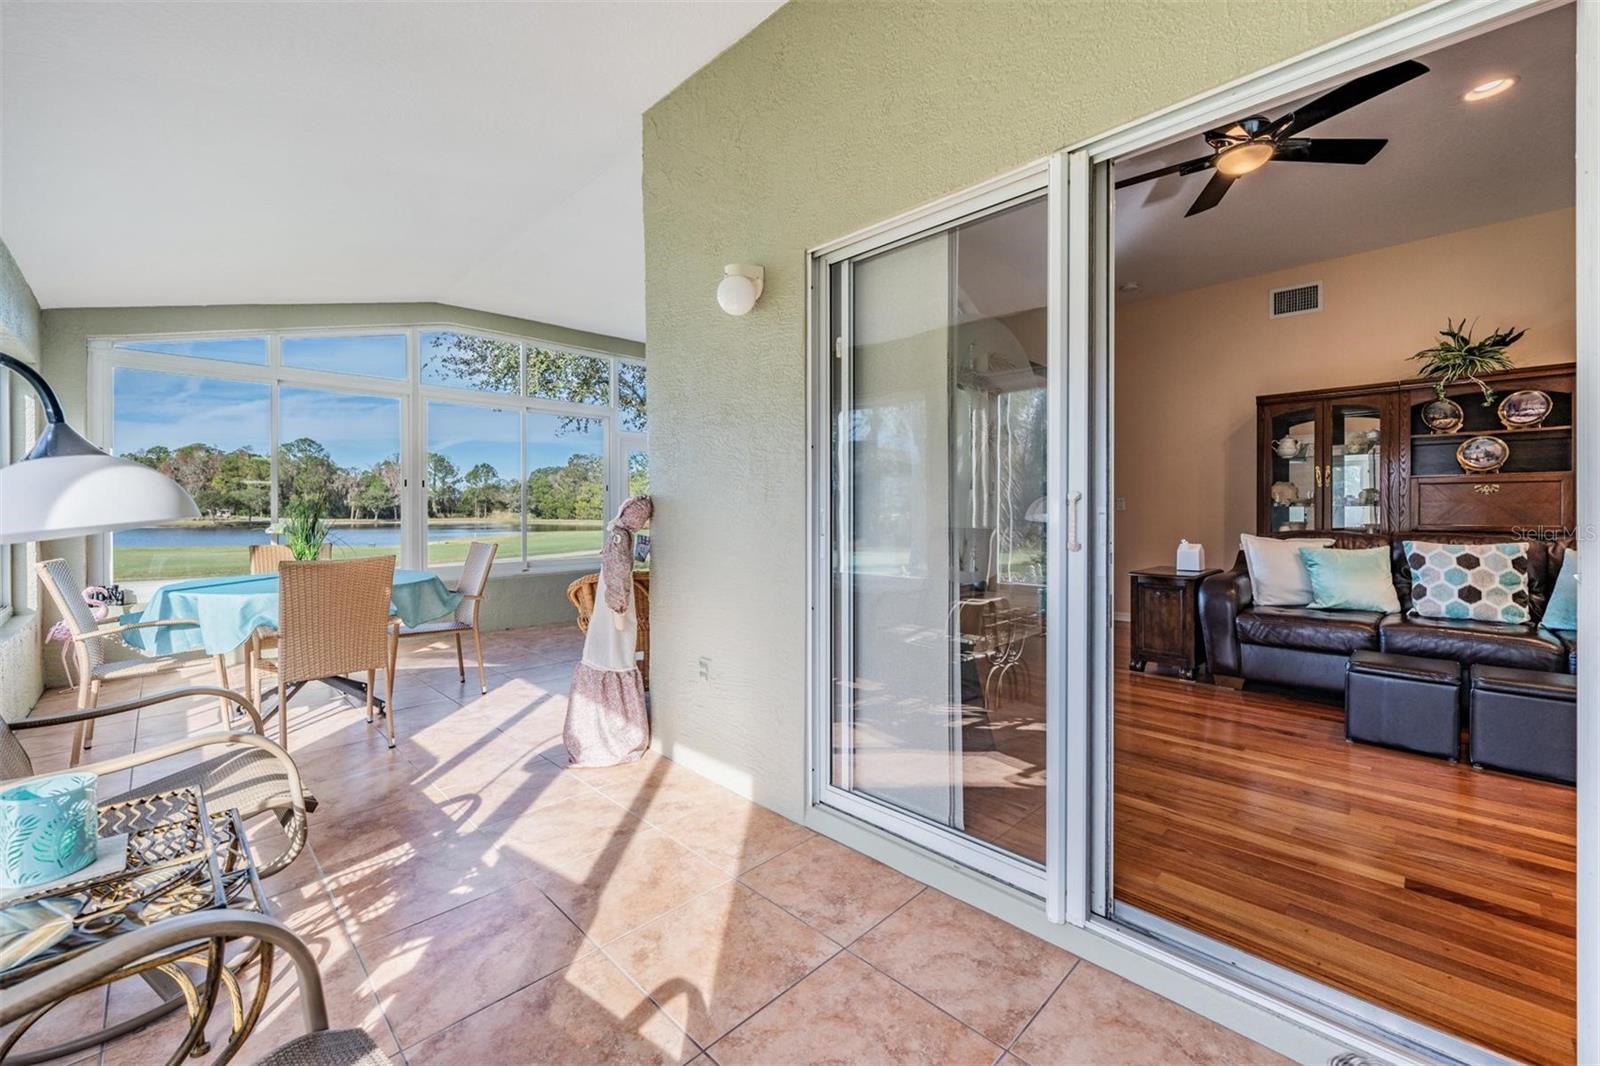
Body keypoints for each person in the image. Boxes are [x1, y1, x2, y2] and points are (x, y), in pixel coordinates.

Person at [564, 495, 652, 766]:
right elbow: (617, 580)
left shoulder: (618, 535)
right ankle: (616, 731)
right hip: (616, 615)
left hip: (610, 614)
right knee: (615, 658)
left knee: (609, 657)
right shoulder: (620, 539)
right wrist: (620, 614)